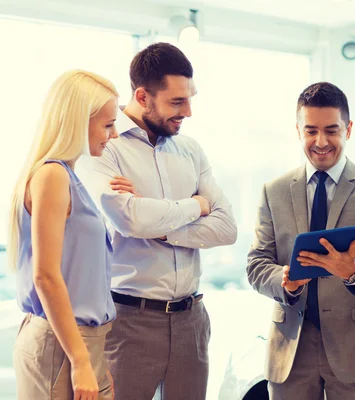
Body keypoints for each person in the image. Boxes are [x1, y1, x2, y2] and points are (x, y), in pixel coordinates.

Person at [78, 42, 237, 400]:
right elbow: (129, 219)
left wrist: (161, 227)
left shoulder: (191, 149)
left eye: (190, 98)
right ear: (143, 95)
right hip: (130, 321)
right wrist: (196, 206)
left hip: (192, 320)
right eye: (177, 102)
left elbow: (227, 229)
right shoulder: (104, 145)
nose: (189, 112)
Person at [247, 82, 355, 400]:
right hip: (290, 347)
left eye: (331, 130)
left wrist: (353, 269)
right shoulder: (273, 191)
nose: (321, 142)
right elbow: (257, 263)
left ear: (348, 128)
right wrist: (285, 281)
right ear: (298, 130)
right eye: (311, 131)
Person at [8, 70, 119, 400]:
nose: (112, 135)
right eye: (107, 124)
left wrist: (91, 358)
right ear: (77, 121)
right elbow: (45, 276)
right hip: (63, 345)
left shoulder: (68, 176)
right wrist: (81, 360)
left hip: (79, 342)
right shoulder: (53, 175)